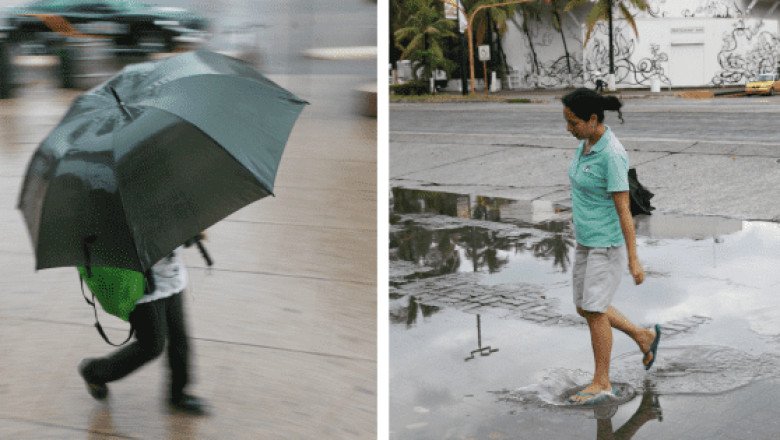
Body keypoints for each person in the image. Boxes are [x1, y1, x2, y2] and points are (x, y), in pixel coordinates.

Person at [561, 88, 661, 405]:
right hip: (586, 242)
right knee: (586, 307)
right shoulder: (586, 143)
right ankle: (643, 336)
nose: (569, 128)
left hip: (607, 245)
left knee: (594, 310)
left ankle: (602, 382)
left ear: (592, 120)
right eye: (567, 121)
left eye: (573, 122)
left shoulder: (612, 155)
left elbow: (624, 211)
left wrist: (634, 259)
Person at [77, 243, 208, 415]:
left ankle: (179, 394)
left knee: (179, 338)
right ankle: (94, 372)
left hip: (174, 280)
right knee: (151, 346)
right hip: (143, 288)